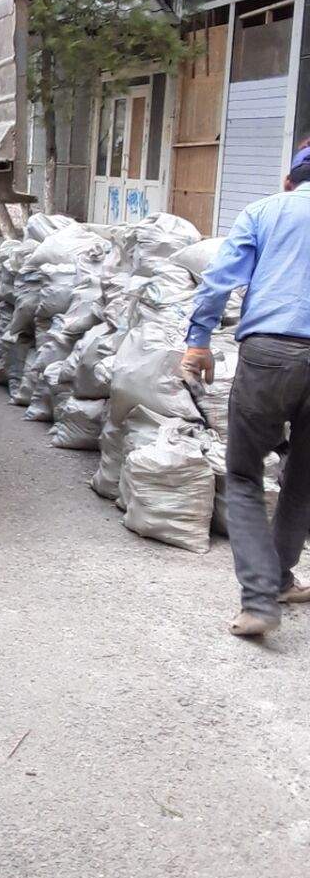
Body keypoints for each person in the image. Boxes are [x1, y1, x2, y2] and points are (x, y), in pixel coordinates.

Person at [182, 145, 310, 638]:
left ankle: (260, 600)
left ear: (288, 181)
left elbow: (217, 283)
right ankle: (278, 579)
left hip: (269, 355)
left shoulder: (264, 212)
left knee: (243, 475)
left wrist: (198, 344)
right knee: (302, 478)